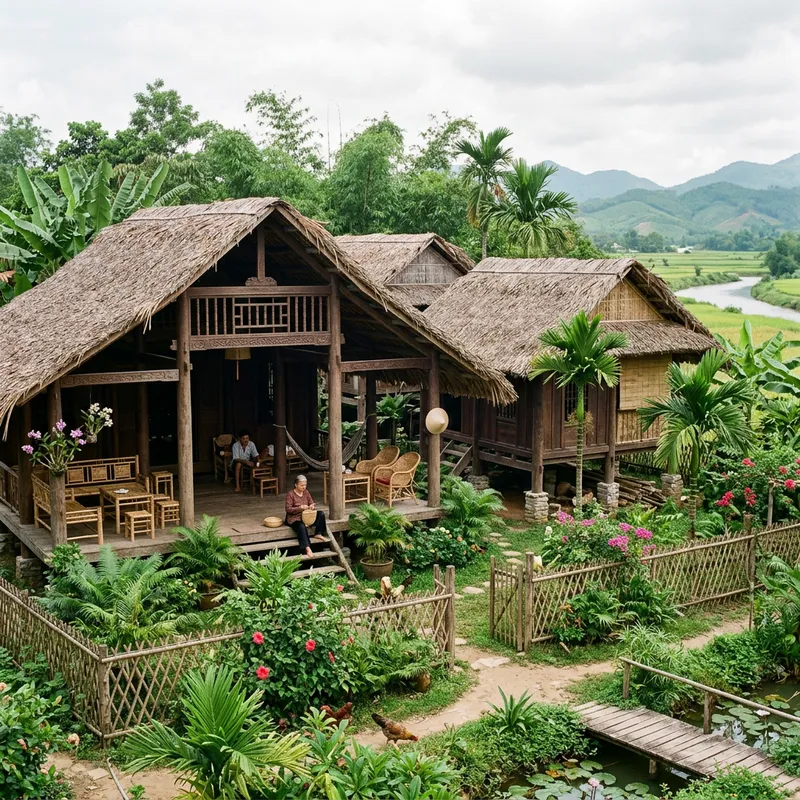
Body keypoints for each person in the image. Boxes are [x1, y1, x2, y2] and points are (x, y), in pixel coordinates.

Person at [285, 474, 326, 558]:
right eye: (302, 485)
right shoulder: (290, 494)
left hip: (307, 516)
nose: (304, 487)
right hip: (294, 518)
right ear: (296, 485)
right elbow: (288, 509)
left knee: (321, 514)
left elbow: (311, 502)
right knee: (301, 526)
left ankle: (318, 533)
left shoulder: (306, 492)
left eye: (305, 485)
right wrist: (299, 508)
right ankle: (307, 548)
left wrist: (311, 506)